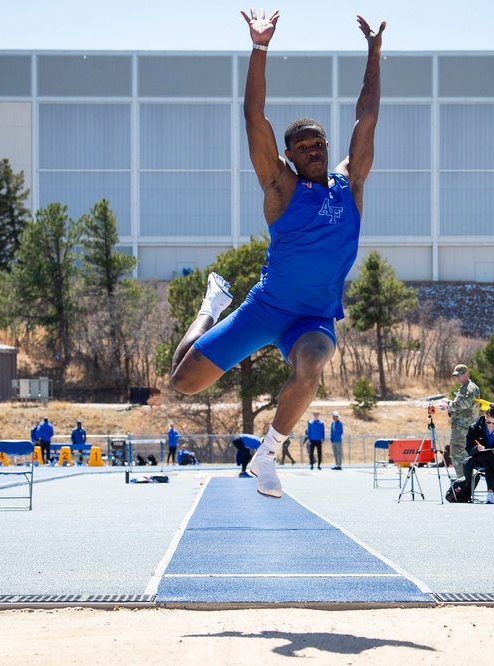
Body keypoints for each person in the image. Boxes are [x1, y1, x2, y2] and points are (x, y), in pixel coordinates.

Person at [168, 8, 385, 499]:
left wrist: (374, 53)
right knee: (183, 382)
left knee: (311, 364)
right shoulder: (280, 185)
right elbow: (254, 117)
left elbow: (366, 116)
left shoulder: (349, 184)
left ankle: (268, 453)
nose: (315, 151)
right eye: (304, 147)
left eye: (320, 145)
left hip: (312, 318)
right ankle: (209, 310)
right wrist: (259, 47)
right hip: (265, 307)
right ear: (289, 156)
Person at [445, 364, 480, 459]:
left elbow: (463, 404)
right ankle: (463, 474)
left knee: (458, 454)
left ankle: (463, 474)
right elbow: (460, 407)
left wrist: (448, 404)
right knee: (458, 454)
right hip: (460, 426)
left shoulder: (470, 388)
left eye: (459, 376)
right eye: (456, 376)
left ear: (466, 374)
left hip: (464, 427)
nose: (458, 378)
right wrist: (449, 408)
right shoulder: (463, 388)